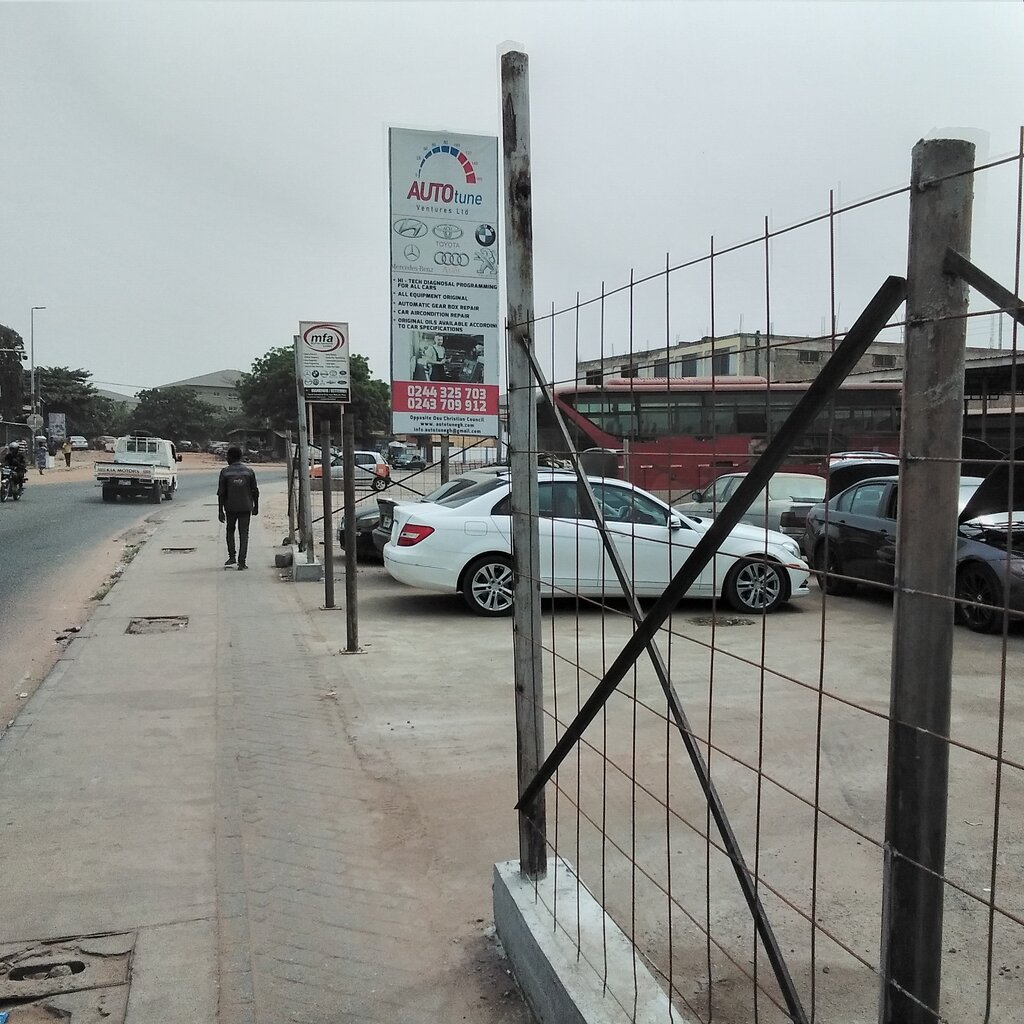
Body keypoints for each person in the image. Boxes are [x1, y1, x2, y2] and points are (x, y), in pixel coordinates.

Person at [217, 446, 259, 570]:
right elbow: (255, 491)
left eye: (227, 457)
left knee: (230, 531)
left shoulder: (225, 472)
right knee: (244, 534)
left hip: (230, 508)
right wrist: (256, 506)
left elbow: (221, 493)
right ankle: (242, 562)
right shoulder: (249, 471)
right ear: (240, 457)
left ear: (230, 457)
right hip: (246, 507)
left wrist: (220, 511)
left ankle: (232, 557)